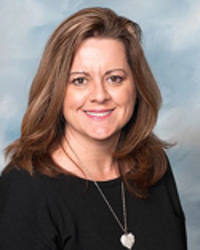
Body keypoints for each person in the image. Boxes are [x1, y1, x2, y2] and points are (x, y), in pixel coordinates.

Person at [0, 7, 187, 250]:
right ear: (56, 91)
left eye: (115, 78)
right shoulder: (26, 189)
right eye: (80, 80)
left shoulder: (153, 166)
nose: (99, 95)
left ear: (137, 86)